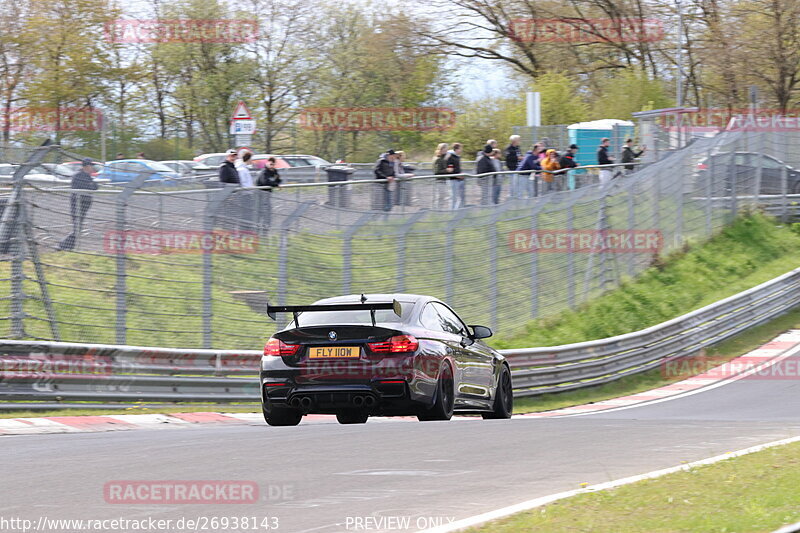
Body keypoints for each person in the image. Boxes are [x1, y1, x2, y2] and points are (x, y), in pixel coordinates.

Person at [59, 158, 99, 251]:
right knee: (77, 228)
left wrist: (91, 185)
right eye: (91, 166)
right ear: (87, 166)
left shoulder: (87, 176)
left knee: (78, 228)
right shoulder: (79, 175)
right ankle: (63, 245)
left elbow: (95, 187)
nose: (92, 168)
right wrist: (90, 185)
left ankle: (68, 246)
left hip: (84, 204)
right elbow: (89, 187)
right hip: (77, 205)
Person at [256, 157, 281, 227]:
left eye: (273, 164)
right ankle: (259, 227)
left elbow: (278, 180)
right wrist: (275, 184)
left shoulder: (273, 171)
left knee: (268, 212)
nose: (272, 166)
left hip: (267, 195)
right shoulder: (264, 172)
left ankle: (266, 227)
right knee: (261, 212)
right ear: (267, 163)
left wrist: (276, 178)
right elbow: (265, 182)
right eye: (270, 164)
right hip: (260, 195)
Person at [235, 150, 255, 227]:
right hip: (244, 195)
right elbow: (242, 183)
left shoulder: (244, 169)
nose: (252, 160)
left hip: (247, 194)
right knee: (245, 214)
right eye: (251, 158)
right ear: (248, 159)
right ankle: (244, 229)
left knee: (247, 213)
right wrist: (250, 189)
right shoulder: (242, 170)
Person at [445, 143, 464, 209]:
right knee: (453, 197)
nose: (461, 150)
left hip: (458, 179)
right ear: (456, 149)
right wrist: (457, 175)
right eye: (460, 148)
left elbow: (456, 168)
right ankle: (452, 212)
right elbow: (450, 169)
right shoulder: (450, 157)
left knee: (459, 197)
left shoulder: (457, 157)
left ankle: (456, 211)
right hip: (452, 180)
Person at [432, 143, 449, 209]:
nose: (447, 150)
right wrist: (446, 170)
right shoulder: (438, 159)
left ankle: (439, 210)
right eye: (445, 148)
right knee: (440, 197)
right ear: (442, 149)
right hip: (439, 181)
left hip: (443, 180)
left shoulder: (442, 158)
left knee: (442, 197)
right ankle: (438, 211)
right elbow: (437, 171)